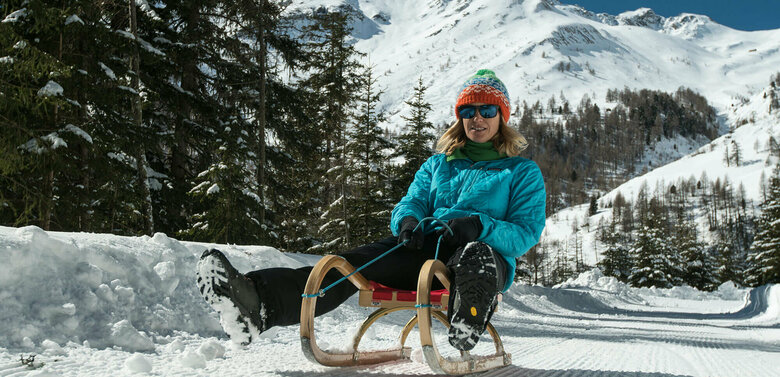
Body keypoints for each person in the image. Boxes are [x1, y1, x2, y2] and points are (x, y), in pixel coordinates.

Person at [196, 69, 546, 351]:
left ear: (502, 117)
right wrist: (407, 221)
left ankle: (467, 314)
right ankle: (258, 303)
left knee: (475, 255)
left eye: (487, 110)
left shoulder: (520, 172)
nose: (477, 118)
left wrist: (479, 226)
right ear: (459, 118)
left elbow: (525, 233)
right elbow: (413, 201)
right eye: (468, 111)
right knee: (348, 266)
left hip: (483, 257)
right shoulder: (439, 164)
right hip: (428, 251)